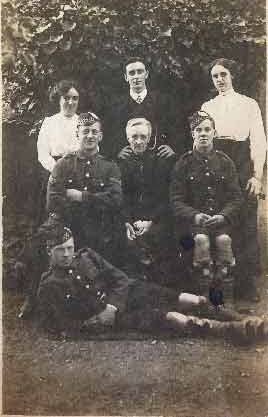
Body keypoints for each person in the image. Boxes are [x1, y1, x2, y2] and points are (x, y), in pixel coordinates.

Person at [36, 224, 265, 340]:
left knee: (186, 298)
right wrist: (94, 321)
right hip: (115, 318)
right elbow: (60, 325)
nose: (67, 254)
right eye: (60, 250)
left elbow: (120, 279)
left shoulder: (86, 255)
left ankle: (244, 319)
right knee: (172, 317)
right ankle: (236, 329)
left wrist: (112, 305)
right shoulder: (49, 285)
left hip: (127, 294)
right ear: (49, 251)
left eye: (69, 248)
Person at [201, 58, 266, 301]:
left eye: (223, 74)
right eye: (215, 76)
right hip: (217, 161)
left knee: (246, 223)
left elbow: (258, 141)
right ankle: (219, 284)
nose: (219, 79)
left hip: (241, 162)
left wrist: (257, 175)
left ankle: (247, 285)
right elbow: (203, 138)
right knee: (220, 221)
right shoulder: (207, 106)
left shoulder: (249, 104)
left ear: (232, 75)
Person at [170, 110, 243, 307]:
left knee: (224, 241)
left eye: (207, 129)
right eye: (198, 130)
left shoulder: (225, 162)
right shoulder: (183, 163)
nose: (203, 134)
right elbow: (176, 201)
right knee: (201, 241)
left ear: (214, 133)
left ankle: (226, 300)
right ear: (192, 134)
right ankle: (205, 300)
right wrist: (195, 216)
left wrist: (223, 216)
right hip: (193, 225)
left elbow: (236, 197)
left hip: (221, 222)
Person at [47, 111, 123, 262]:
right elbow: (52, 201)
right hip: (70, 233)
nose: (90, 136)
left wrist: (81, 197)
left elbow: (116, 200)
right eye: (85, 131)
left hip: (102, 234)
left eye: (94, 132)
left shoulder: (110, 166)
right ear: (77, 134)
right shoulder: (63, 165)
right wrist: (97, 201)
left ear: (100, 136)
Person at [118, 117, 176, 283]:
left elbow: (167, 197)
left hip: (156, 219)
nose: (138, 141)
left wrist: (151, 222)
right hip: (130, 221)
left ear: (149, 138)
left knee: (161, 237)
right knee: (126, 241)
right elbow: (120, 198)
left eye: (143, 137)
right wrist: (127, 222)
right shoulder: (121, 164)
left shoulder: (161, 162)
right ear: (128, 139)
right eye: (134, 137)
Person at [102, 56, 189, 159]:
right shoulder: (116, 105)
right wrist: (116, 152)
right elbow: (109, 133)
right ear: (126, 77)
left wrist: (173, 148)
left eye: (140, 71)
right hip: (128, 162)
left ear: (146, 74)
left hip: (158, 160)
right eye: (132, 73)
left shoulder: (163, 101)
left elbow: (178, 128)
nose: (136, 76)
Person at [36, 79, 80, 223]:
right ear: (59, 99)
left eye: (75, 98)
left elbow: (93, 148)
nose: (71, 102)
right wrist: (57, 170)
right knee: (54, 218)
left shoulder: (83, 122)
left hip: (78, 173)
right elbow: (42, 153)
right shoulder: (49, 122)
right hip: (53, 174)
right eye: (66, 98)